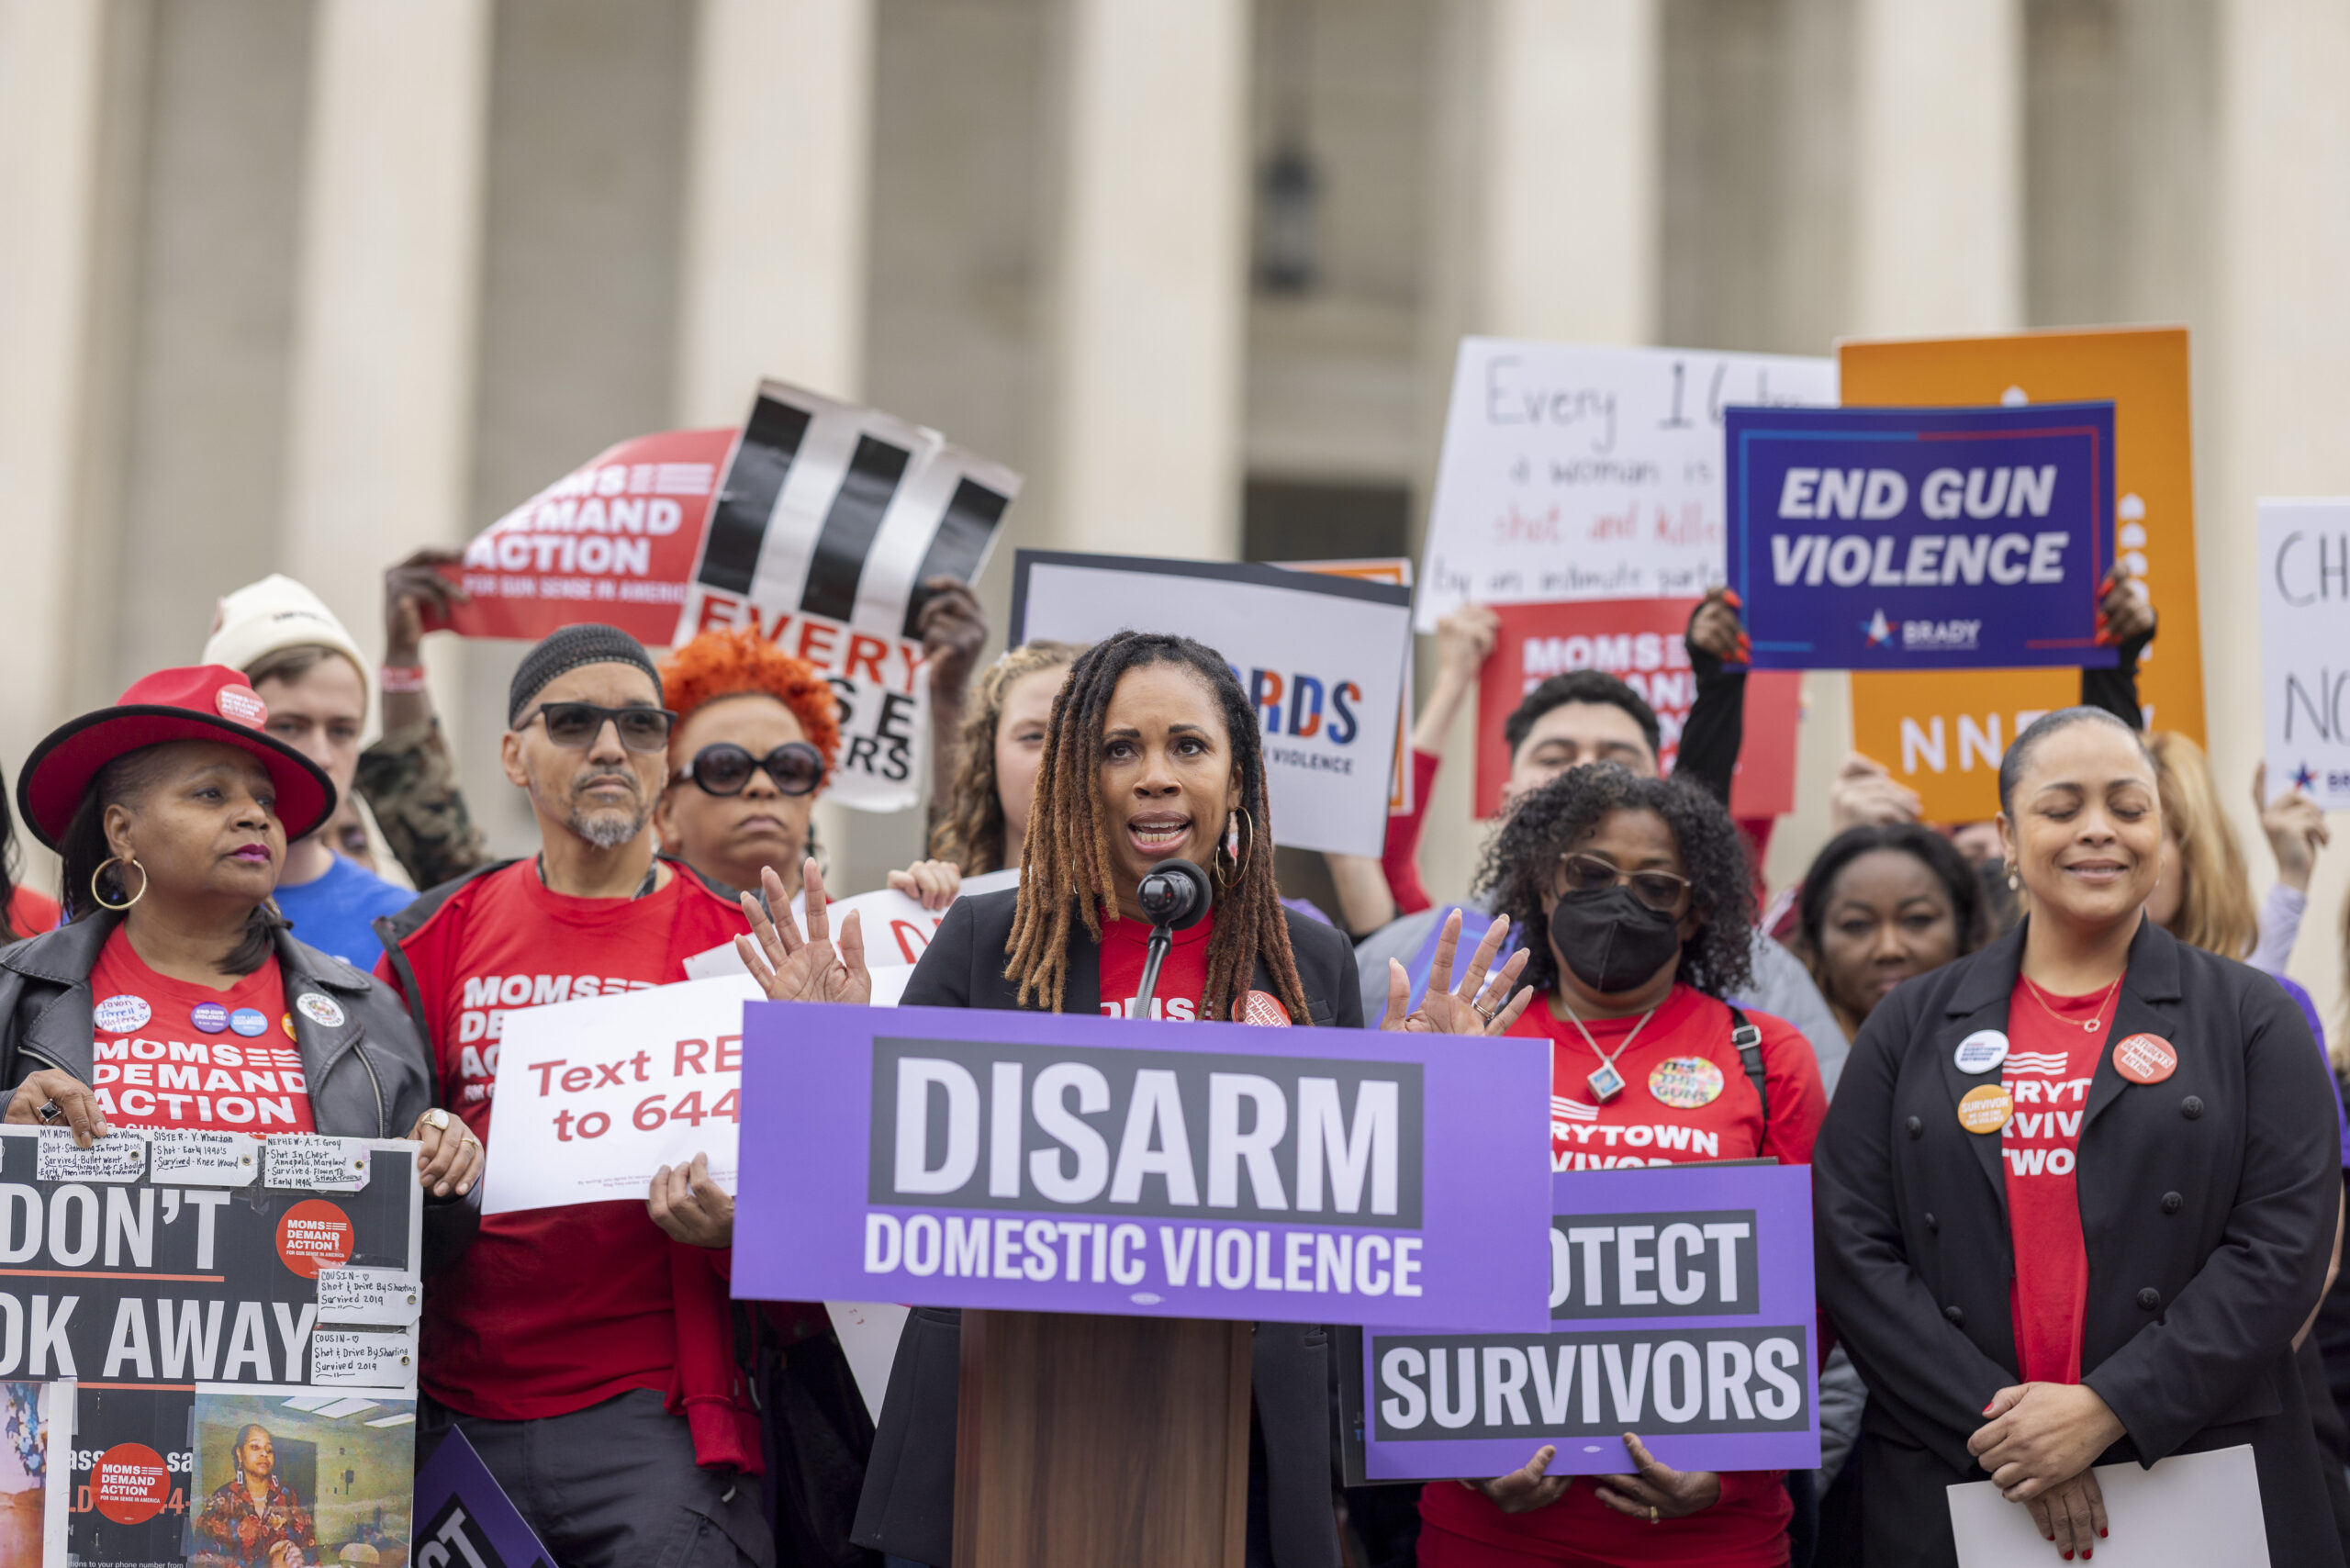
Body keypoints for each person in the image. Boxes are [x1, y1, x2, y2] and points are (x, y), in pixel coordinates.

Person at [738, 630, 1530, 1568]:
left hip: (1235, 1442)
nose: (1155, 775)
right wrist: (827, 1055)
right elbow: (860, 1208)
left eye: (1188, 746)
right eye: (1121, 748)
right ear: (1079, 772)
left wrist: (1432, 1112)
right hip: (1005, 1427)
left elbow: (1369, 1241)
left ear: (1237, 778)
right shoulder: (988, 938)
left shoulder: (1305, 959)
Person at [1813, 706, 2344, 1567]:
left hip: (2200, 1471)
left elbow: (2281, 1251)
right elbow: (1850, 1248)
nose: (2099, 830)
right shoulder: (1911, 1024)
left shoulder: (2252, 1018)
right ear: (2007, 838)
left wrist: (2106, 1411)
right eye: (2062, 808)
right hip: (1962, 1470)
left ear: (2162, 832)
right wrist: (2011, 1433)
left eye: (2129, 808)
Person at [375, 624, 769, 1568]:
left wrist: (738, 1228)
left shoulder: (744, 947)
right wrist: (424, 1148)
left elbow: (826, 1191)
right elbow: (368, 1144)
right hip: (452, 1408)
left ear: (665, 756)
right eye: (573, 720)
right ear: (514, 753)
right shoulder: (432, 937)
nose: (609, 746)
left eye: (639, 723)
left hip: (655, 1414)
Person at [1414, 763, 1826, 1567]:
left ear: (1696, 909)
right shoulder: (1469, 1040)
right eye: (1590, 873)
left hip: (1710, 1534)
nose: (1618, 898)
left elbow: (1817, 1297)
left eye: (1656, 885)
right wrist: (1457, 1450)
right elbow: (1407, 1268)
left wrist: (1736, 1473)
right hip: (1489, 1530)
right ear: (1541, 883)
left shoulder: (1768, 1058)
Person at [0, 666, 477, 1251]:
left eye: (266, 800)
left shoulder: (368, 1012)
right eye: (211, 793)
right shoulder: (15, 991)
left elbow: (422, 1259)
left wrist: (445, 1170)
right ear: (122, 831)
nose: (256, 815)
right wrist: (10, 1125)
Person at [359, 550, 993, 892]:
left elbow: (971, 872)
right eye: (724, 767)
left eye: (792, 768)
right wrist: (403, 666)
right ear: (663, 797)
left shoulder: (872, 943)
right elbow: (439, 850)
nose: (762, 786)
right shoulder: (600, 922)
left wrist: (948, 699)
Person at [1354, 667, 1850, 1094]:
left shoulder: (1767, 976)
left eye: (1618, 760)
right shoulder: (1395, 956)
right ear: (1507, 796)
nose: (1586, 774)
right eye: (1554, 758)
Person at [203, 575, 416, 967]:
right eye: (289, 726)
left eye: (342, 731)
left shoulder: (407, 927)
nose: (321, 756)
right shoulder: (140, 911)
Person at [1796, 823, 1991, 1046]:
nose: (1889, 949)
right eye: (1857, 925)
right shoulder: (1777, 1063)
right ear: (1815, 940)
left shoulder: (2017, 1057)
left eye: (1917, 919)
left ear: (1965, 929)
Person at [927, 639, 1084, 874]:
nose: (1061, 757)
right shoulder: (940, 902)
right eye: (1033, 736)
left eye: (1086, 736)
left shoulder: (1151, 906)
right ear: (987, 756)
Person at [196, 1422, 316, 1568]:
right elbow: (203, 1558)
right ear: (240, 1454)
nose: (264, 1453)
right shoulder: (222, 1499)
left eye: (269, 1449)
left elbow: (309, 1549)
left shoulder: (288, 1495)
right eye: (255, 1447)